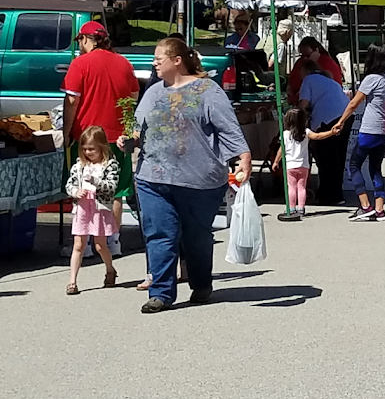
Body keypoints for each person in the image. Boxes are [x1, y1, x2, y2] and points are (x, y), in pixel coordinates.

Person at [132, 38, 252, 314]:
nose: (154, 64)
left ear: (177, 61)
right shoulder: (153, 92)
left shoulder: (207, 91)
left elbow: (228, 128)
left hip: (199, 179)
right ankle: (161, 293)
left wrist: (243, 157)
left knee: (196, 237)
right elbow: (137, 127)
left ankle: (200, 283)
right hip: (153, 176)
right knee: (159, 234)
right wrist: (130, 138)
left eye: (158, 58)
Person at [62, 20, 139, 259]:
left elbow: (72, 101)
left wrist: (65, 131)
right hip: (118, 137)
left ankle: (84, 244)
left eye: (80, 41)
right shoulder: (124, 63)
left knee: (83, 188)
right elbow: (133, 96)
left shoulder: (80, 64)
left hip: (87, 137)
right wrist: (128, 129)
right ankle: (113, 240)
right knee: (116, 191)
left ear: (85, 39)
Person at [334, 43, 385, 222]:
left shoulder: (372, 79)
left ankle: (365, 205)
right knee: (376, 169)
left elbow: (354, 103)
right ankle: (380, 209)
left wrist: (340, 122)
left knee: (354, 166)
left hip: (369, 128)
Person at [65, 126, 120, 295]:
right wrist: (75, 192)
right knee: (79, 244)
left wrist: (96, 182)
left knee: (99, 245)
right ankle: (72, 281)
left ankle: (110, 270)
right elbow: (70, 184)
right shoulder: (79, 165)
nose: (88, 152)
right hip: (83, 208)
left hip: (99, 209)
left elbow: (111, 187)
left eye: (91, 149)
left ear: (102, 147)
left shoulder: (110, 165)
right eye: (84, 149)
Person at [296, 58, 350, 205]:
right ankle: (336, 194)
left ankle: (329, 195)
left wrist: (294, 114)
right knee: (338, 157)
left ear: (305, 70)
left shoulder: (308, 80)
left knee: (326, 159)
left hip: (328, 119)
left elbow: (303, 104)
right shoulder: (327, 79)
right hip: (345, 115)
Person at [276, 106, 334, 222]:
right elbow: (318, 136)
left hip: (290, 165)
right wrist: (331, 132)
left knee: (291, 187)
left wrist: (276, 161)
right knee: (302, 187)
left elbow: (281, 149)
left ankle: (291, 209)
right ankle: (301, 208)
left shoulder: (285, 134)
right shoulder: (306, 132)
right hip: (303, 165)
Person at [285, 37, 344, 104]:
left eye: (307, 55)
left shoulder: (328, 63)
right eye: (302, 55)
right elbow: (291, 80)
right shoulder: (300, 62)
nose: (305, 58)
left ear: (316, 50)